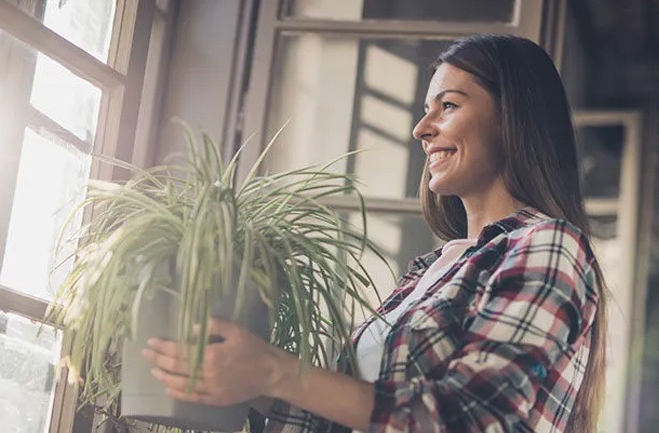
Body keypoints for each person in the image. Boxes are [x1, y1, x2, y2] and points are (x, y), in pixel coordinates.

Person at [143, 34, 607, 433]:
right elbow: (350, 415)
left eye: (448, 106)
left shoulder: (548, 246)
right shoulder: (433, 268)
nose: (421, 129)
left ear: (513, 118)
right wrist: (231, 371)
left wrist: (273, 371)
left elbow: (473, 420)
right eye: (427, 110)